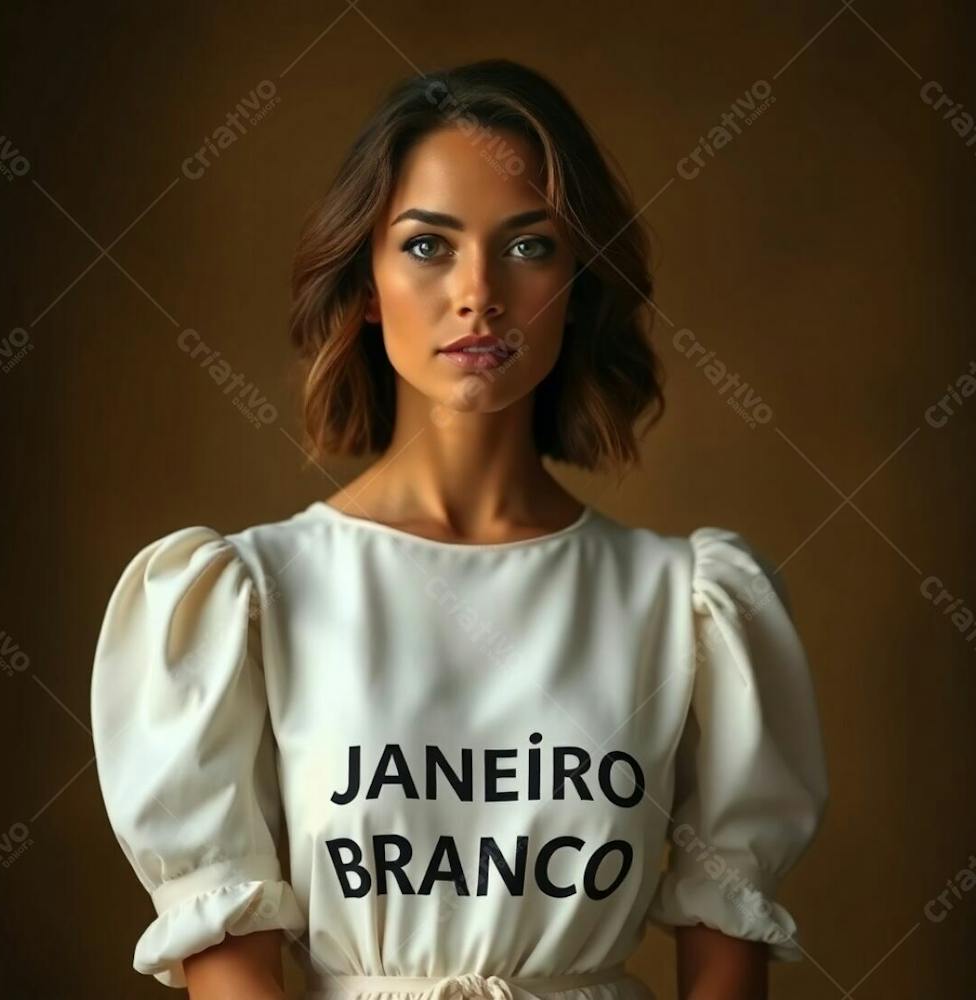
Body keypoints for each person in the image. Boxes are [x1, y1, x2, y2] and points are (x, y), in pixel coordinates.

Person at [90, 58, 828, 1000]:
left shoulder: (686, 606)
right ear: (365, 282)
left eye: (529, 247)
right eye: (429, 246)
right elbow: (229, 970)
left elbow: (725, 968)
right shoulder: (247, 596)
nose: (479, 291)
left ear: (578, 281)